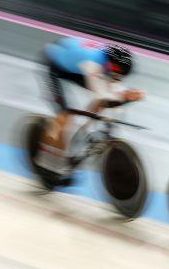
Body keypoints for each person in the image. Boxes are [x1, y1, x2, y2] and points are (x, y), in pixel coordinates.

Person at [37, 37, 145, 181]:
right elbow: (103, 94)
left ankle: (84, 130)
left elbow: (111, 89)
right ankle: (47, 164)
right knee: (65, 117)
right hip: (54, 64)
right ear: (111, 64)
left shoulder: (107, 62)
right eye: (116, 72)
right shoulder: (92, 63)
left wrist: (125, 94)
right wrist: (127, 96)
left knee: (103, 100)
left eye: (121, 75)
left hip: (74, 65)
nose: (118, 77)